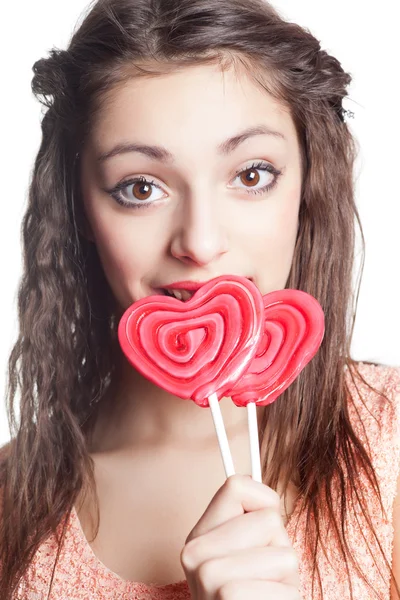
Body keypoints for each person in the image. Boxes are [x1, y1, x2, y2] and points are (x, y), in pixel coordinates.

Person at [0, 0, 399, 598]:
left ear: (307, 183)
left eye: (251, 174)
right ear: (79, 203)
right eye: (141, 187)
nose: (201, 242)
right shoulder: (10, 502)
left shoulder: (391, 441)